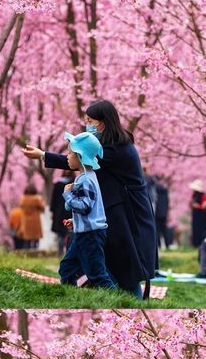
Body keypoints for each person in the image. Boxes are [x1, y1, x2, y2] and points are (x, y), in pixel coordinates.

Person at [22, 99, 157, 297]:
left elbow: (78, 160)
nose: (87, 124)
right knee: (113, 262)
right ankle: (117, 299)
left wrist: (44, 155)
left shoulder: (115, 148)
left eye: (90, 120)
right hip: (115, 209)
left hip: (129, 213)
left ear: (102, 122)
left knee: (125, 265)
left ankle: (131, 303)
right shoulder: (109, 145)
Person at [58, 132, 117, 289]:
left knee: (96, 274)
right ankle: (69, 297)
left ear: (81, 157)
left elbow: (85, 207)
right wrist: (75, 221)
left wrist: (67, 195)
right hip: (85, 233)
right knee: (66, 268)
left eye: (70, 153)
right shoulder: (85, 177)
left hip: (91, 235)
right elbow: (87, 209)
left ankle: (117, 299)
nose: (67, 157)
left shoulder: (86, 180)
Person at [50, 171, 75, 255]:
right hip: (71, 210)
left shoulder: (58, 184)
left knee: (60, 234)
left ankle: (60, 252)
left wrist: (52, 211)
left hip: (59, 212)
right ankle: (69, 252)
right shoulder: (74, 183)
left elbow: (53, 200)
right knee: (71, 232)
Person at [19, 183, 45, 249]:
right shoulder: (36, 199)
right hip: (35, 220)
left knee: (27, 237)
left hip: (26, 220)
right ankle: (35, 249)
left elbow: (21, 207)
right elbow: (42, 207)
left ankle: (27, 250)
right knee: (36, 236)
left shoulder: (23, 199)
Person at [190, 179, 206, 248]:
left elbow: (204, 206)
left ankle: (200, 244)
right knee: (195, 230)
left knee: (201, 230)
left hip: (202, 217)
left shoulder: (203, 196)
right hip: (196, 216)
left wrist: (197, 206)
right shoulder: (194, 196)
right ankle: (195, 244)